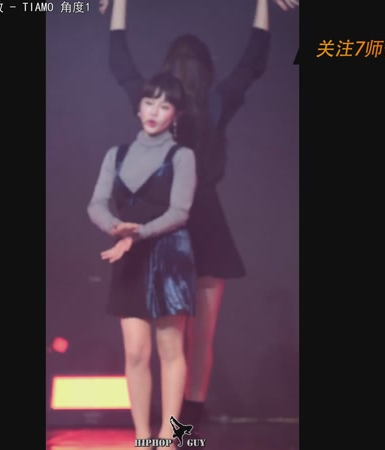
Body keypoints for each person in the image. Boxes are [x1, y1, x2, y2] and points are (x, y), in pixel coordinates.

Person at [99, 0, 299, 430]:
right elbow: (253, 60)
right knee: (198, 334)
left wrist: (119, 5)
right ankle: (188, 415)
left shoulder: (153, 104)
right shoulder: (216, 102)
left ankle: (161, 428)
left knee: (160, 336)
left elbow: (120, 62)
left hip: (161, 221)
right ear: (208, 68)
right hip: (206, 222)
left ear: (167, 67)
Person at [87, 71, 197, 446]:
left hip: (169, 257)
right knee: (136, 352)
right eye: (149, 103)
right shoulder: (116, 155)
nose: (154, 111)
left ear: (175, 114)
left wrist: (137, 234)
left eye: (165, 106)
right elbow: (97, 203)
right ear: (138, 108)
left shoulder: (182, 156)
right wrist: (116, 228)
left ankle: (168, 435)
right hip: (129, 257)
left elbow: (180, 212)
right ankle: (141, 436)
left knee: (170, 350)